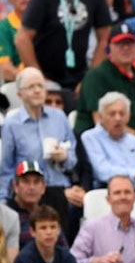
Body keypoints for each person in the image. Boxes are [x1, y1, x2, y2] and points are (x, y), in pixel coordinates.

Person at [15, 0, 112, 92]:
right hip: (47, 76)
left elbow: (106, 36)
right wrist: (39, 79)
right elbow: (22, 39)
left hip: (81, 75)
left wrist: (91, 77)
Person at [0, 68, 79, 213]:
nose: (37, 90)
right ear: (19, 94)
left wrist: (64, 156)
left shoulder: (60, 117)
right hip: (29, 193)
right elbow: (6, 169)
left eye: (40, 86)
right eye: (31, 87)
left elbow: (73, 159)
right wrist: (3, 202)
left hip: (60, 189)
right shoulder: (11, 124)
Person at [73, 23, 135, 138]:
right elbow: (102, 122)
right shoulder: (96, 76)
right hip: (103, 144)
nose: (126, 48)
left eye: (130, 43)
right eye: (119, 44)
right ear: (109, 48)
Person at [80, 92, 135, 191]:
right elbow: (103, 172)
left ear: (128, 117)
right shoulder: (90, 137)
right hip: (108, 189)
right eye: (112, 114)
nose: (118, 118)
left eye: (122, 114)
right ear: (101, 117)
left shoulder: (132, 139)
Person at [12, 205, 78, 263]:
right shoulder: (24, 259)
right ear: (32, 232)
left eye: (53, 227)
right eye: (43, 228)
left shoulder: (66, 258)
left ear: (59, 230)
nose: (49, 232)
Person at [0, 0, 36, 82]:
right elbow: (5, 68)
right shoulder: (4, 27)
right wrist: (32, 81)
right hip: (19, 84)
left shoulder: (46, 22)